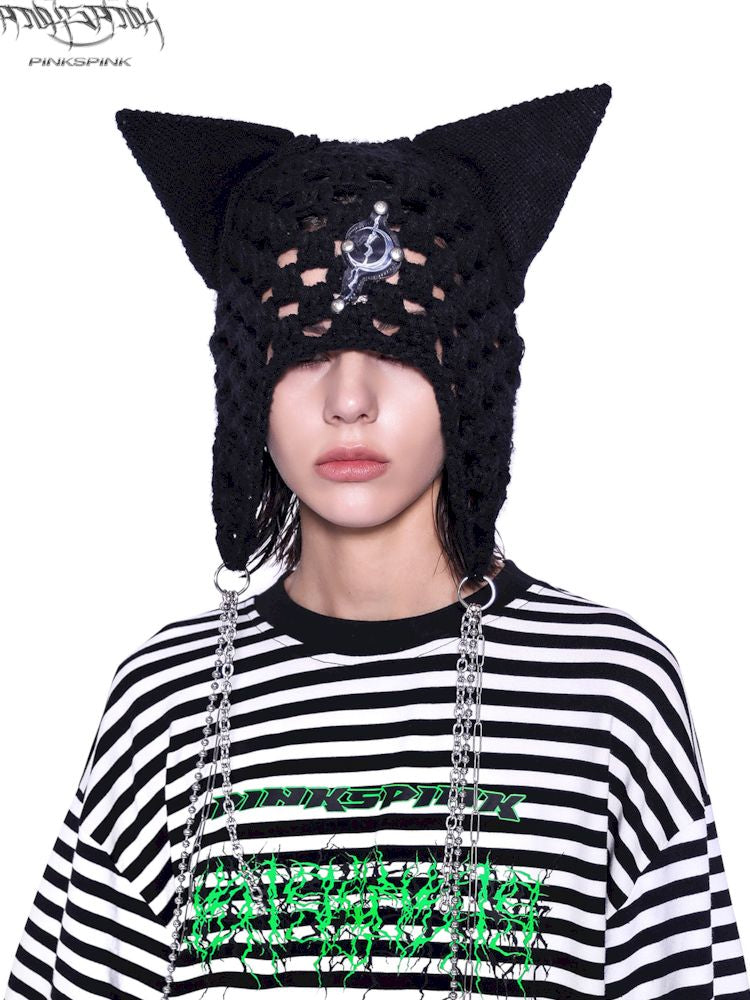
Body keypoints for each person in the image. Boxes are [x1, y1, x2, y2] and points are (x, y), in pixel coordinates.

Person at [5, 85, 750, 1000]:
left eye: (399, 345)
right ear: (248, 387)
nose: (348, 400)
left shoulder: (608, 691)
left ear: (471, 377)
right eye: (305, 347)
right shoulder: (166, 702)